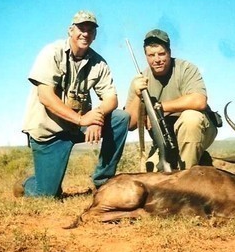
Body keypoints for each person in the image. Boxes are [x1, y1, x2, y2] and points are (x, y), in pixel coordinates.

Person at [15, 10, 129, 197]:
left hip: (78, 126)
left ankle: (103, 182)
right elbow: (46, 97)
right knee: (47, 195)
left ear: (95, 35)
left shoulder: (99, 63)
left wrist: (96, 117)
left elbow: (111, 99)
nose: (85, 33)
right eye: (81, 28)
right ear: (70, 30)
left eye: (90, 30)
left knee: (120, 118)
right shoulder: (51, 52)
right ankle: (27, 183)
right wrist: (82, 120)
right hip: (49, 132)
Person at [125, 29, 218, 170]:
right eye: (151, 55)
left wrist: (160, 108)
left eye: (161, 54)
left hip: (197, 130)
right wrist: (138, 95)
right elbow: (130, 124)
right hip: (164, 140)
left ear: (169, 52)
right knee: (150, 173)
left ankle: (186, 177)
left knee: (190, 118)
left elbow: (199, 101)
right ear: (145, 56)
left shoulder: (186, 68)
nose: (157, 59)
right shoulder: (140, 80)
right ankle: (190, 161)